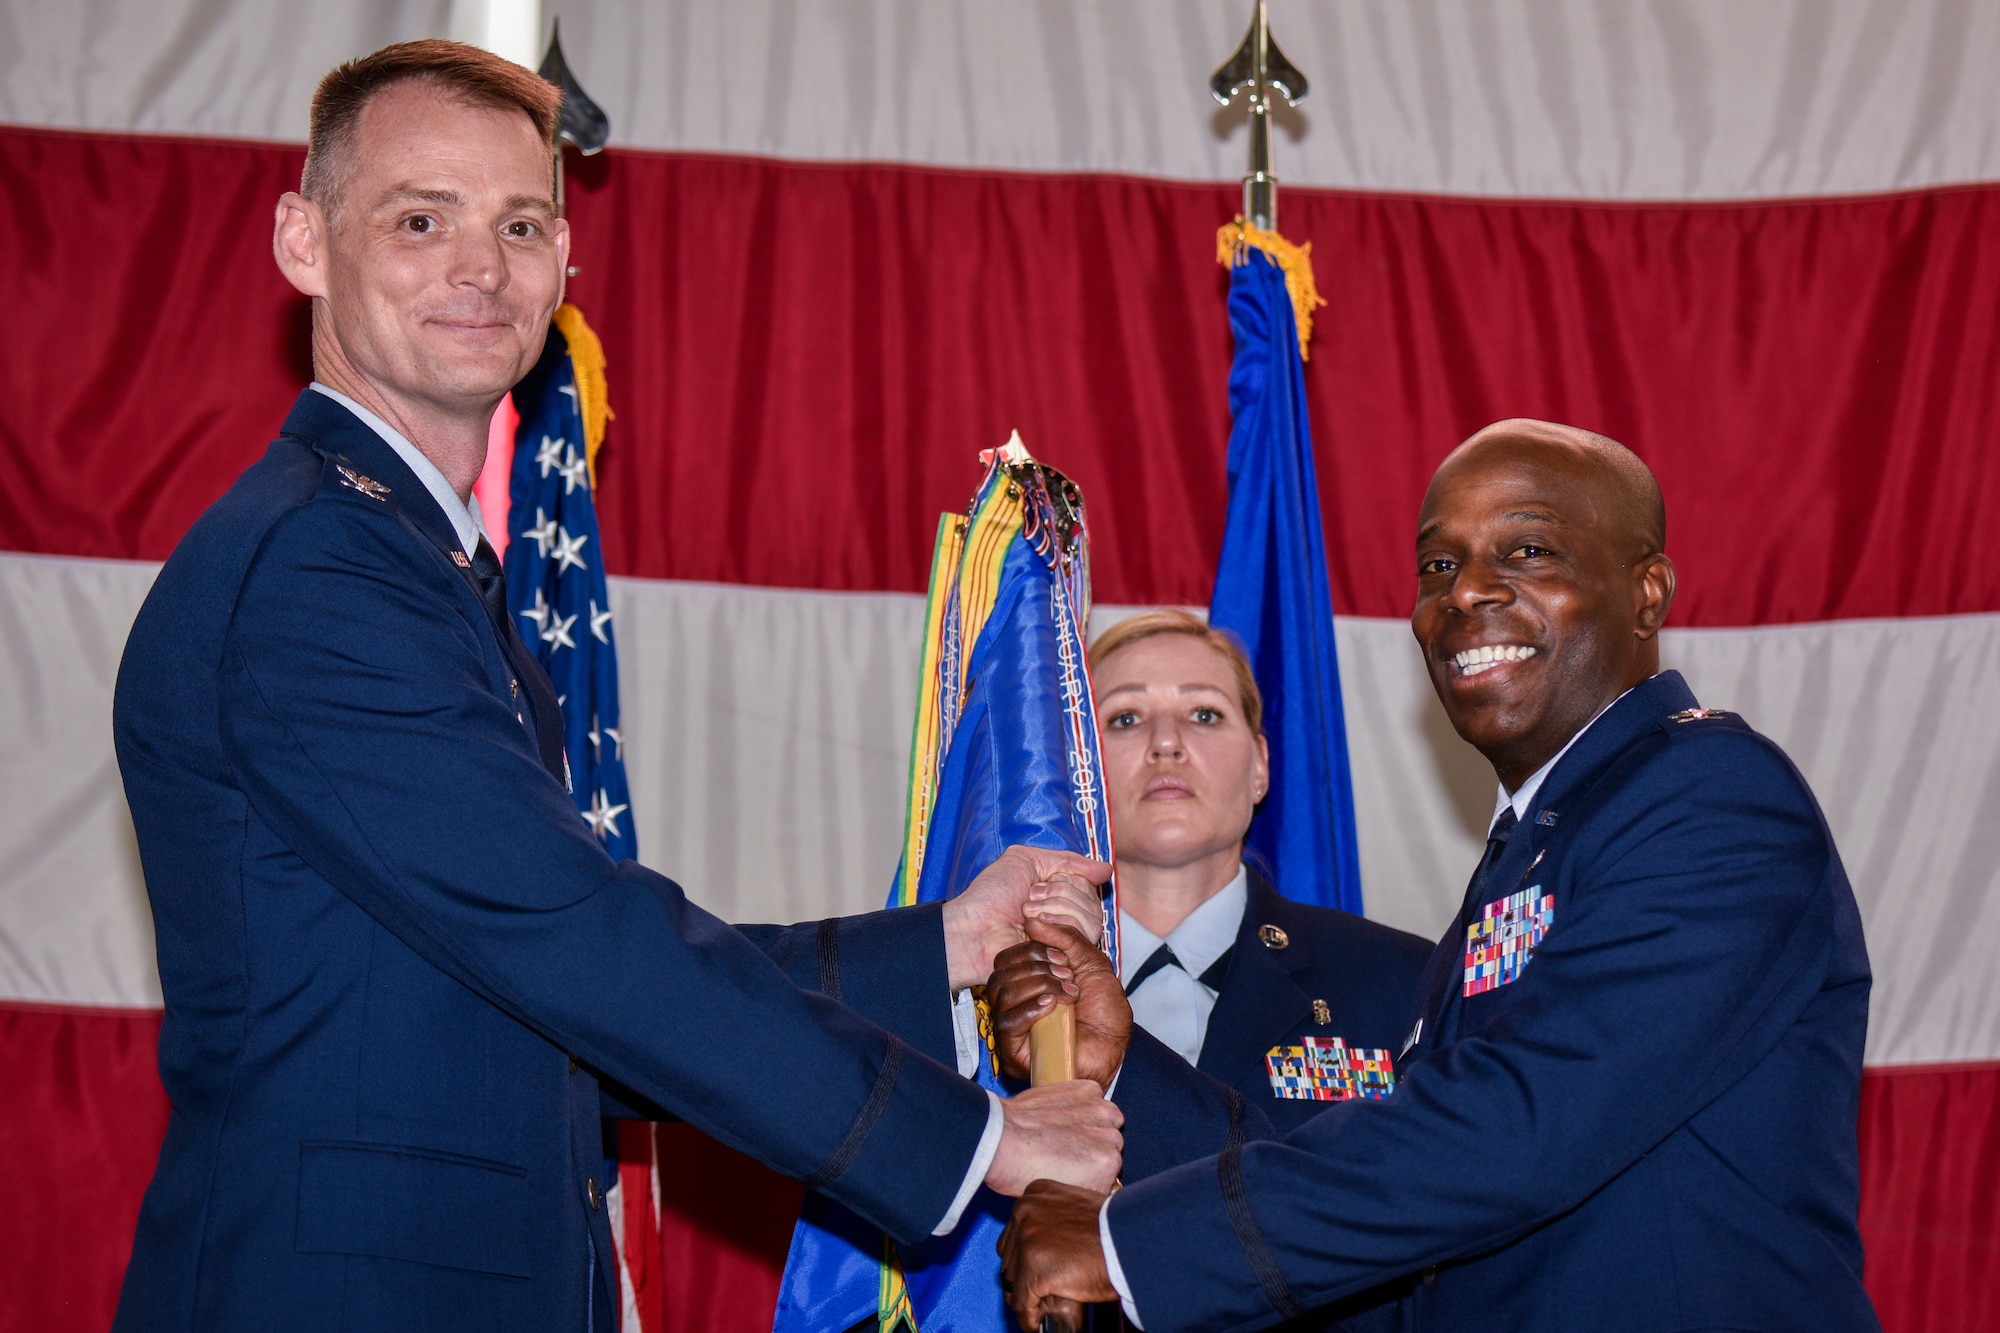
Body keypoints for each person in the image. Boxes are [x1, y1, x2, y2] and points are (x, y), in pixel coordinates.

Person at [109, 41, 1120, 1333]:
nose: (481, 266)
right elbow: (573, 939)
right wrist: (985, 1140)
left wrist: (941, 948)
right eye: (421, 219)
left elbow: (522, 985)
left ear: (563, 265)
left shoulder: (403, 557)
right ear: (304, 240)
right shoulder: (320, 565)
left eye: (521, 224)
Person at [998, 419, 1877, 1332]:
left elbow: (1514, 1129)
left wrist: (1133, 1245)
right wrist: (1123, 1070)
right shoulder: (1534, 849)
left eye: (1528, 549)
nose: (1468, 594)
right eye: (1438, 567)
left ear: (1646, 594)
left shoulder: (1710, 796)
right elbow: (1409, 1245)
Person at [1073, 611, 1429, 1134]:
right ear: (1078, 766)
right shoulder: (1010, 995)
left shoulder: (1407, 980)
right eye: (1125, 717)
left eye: (1204, 715)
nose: (1166, 742)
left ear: (1259, 765)